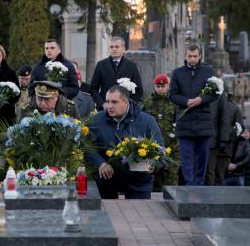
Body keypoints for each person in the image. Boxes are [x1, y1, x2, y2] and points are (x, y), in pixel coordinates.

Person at [86, 85, 163, 199]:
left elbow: (160, 149)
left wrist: (153, 166)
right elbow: (87, 146)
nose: (110, 106)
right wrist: (100, 163)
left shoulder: (147, 121)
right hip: (107, 178)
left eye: (114, 102)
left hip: (138, 179)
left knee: (139, 214)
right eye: (107, 102)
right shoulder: (96, 120)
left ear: (126, 102)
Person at [169, 44, 217, 186]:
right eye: (190, 56)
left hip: (203, 121)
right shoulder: (177, 73)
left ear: (200, 56)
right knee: (187, 158)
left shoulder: (208, 71)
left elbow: (214, 93)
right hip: (185, 122)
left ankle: (199, 184)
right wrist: (186, 101)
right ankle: (189, 185)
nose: (192, 59)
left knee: (203, 157)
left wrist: (201, 100)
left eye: (195, 56)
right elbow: (172, 95)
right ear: (185, 56)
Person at [142, 74, 179, 189]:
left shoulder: (174, 101)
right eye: (158, 86)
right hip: (154, 146)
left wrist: (173, 135)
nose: (160, 88)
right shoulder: (148, 102)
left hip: (172, 146)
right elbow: (143, 121)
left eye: (163, 86)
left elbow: (179, 121)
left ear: (168, 86)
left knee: (171, 177)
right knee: (154, 177)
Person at [90, 36, 143, 110]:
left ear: (123, 48)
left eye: (117, 47)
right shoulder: (101, 65)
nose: (114, 49)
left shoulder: (131, 66)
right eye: (111, 47)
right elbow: (93, 89)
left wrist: (129, 105)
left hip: (125, 110)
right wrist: (103, 103)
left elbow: (139, 90)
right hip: (106, 108)